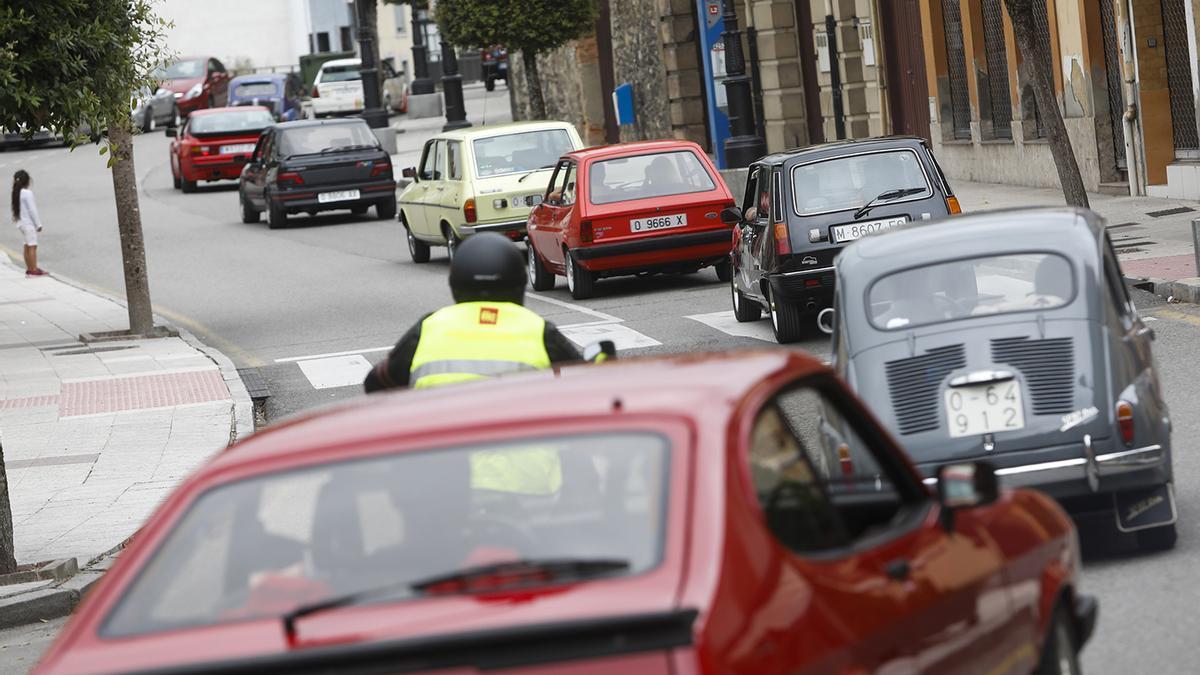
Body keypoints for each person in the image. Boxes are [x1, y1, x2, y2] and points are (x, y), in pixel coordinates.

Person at [365, 232, 583, 496]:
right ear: (517, 283)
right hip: (528, 489)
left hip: (441, 490)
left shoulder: (429, 328)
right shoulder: (538, 330)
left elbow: (376, 384)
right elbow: (588, 386)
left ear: (455, 284)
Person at [11, 170, 46, 277]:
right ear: (27, 181)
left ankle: (30, 268)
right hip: (28, 224)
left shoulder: (16, 192)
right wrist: (38, 224)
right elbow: (32, 210)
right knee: (32, 246)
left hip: (21, 223)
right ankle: (33, 269)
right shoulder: (27, 193)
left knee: (27, 245)